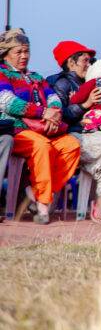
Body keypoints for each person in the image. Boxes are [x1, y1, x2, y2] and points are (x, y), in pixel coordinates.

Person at [1, 28, 80, 224]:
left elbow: (54, 99)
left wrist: (52, 117)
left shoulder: (36, 76)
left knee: (72, 146)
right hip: (17, 131)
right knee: (42, 147)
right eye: (18, 52)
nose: (23, 56)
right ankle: (44, 205)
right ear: (6, 53)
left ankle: (35, 192)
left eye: (26, 51)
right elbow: (8, 102)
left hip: (44, 129)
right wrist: (43, 113)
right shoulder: (2, 74)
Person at [46, 40, 101, 223]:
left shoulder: (95, 82)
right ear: (71, 63)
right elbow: (59, 116)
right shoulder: (62, 84)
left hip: (92, 133)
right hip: (71, 135)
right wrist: (85, 104)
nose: (89, 64)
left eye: (91, 61)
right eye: (85, 60)